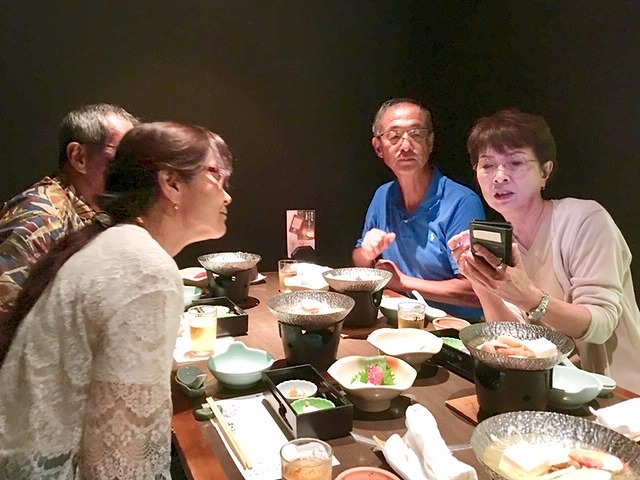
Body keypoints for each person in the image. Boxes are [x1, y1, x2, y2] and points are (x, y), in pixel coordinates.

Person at [0, 122, 234, 478]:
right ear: (171, 183)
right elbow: (120, 463)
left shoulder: (116, 242)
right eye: (216, 176)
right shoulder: (145, 269)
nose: (226, 196)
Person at [449, 108, 640, 393]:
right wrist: (481, 281)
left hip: (617, 396)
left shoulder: (585, 220)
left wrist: (528, 297)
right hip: (549, 390)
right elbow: (515, 339)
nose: (499, 176)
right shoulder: (504, 241)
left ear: (545, 172)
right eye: (487, 165)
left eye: (515, 162)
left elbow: (600, 325)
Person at [0, 103, 138, 332]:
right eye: (120, 159)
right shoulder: (44, 216)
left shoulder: (89, 209)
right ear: (79, 157)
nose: (130, 172)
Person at [353, 98, 485, 319]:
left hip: (456, 326)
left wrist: (403, 282)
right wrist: (366, 254)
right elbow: (359, 260)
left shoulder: (461, 202)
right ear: (378, 147)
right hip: (402, 318)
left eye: (416, 135)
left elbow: (476, 291)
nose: (406, 146)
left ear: (430, 143)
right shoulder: (383, 196)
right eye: (394, 136)